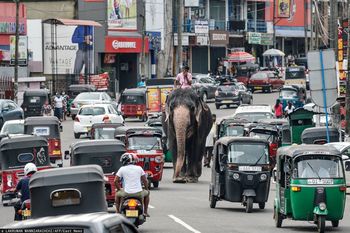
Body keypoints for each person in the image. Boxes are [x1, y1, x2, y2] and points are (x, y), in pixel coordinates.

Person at [115, 153, 150, 217]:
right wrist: (146, 188)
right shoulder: (139, 168)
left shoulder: (122, 169)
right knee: (147, 193)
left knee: (117, 194)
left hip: (126, 193)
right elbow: (145, 180)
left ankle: (117, 212)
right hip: (139, 193)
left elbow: (115, 181)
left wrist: (119, 189)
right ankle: (145, 212)